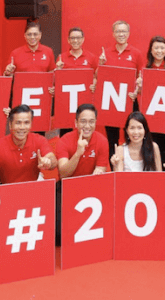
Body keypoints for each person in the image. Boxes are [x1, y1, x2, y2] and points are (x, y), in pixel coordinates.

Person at [0, 104, 56, 267]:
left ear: (31, 124)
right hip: (9, 191)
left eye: (26, 123)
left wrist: (48, 161)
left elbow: (52, 158)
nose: (22, 127)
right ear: (10, 125)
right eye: (18, 123)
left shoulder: (39, 140)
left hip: (33, 189)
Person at [55, 103, 110, 244]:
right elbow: (63, 173)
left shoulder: (102, 141)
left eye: (91, 122)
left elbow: (101, 169)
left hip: (90, 188)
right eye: (83, 121)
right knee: (59, 236)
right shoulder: (64, 141)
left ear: (96, 122)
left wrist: (99, 172)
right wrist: (78, 153)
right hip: (67, 187)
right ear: (76, 123)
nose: (87, 126)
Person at [98, 20, 145, 148]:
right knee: (112, 137)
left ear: (128, 33)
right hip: (111, 101)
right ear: (113, 34)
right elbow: (98, 78)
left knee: (132, 136)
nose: (121, 34)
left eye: (124, 31)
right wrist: (100, 65)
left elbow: (142, 78)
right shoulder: (106, 53)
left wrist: (138, 87)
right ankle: (114, 167)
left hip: (130, 100)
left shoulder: (136, 54)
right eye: (118, 31)